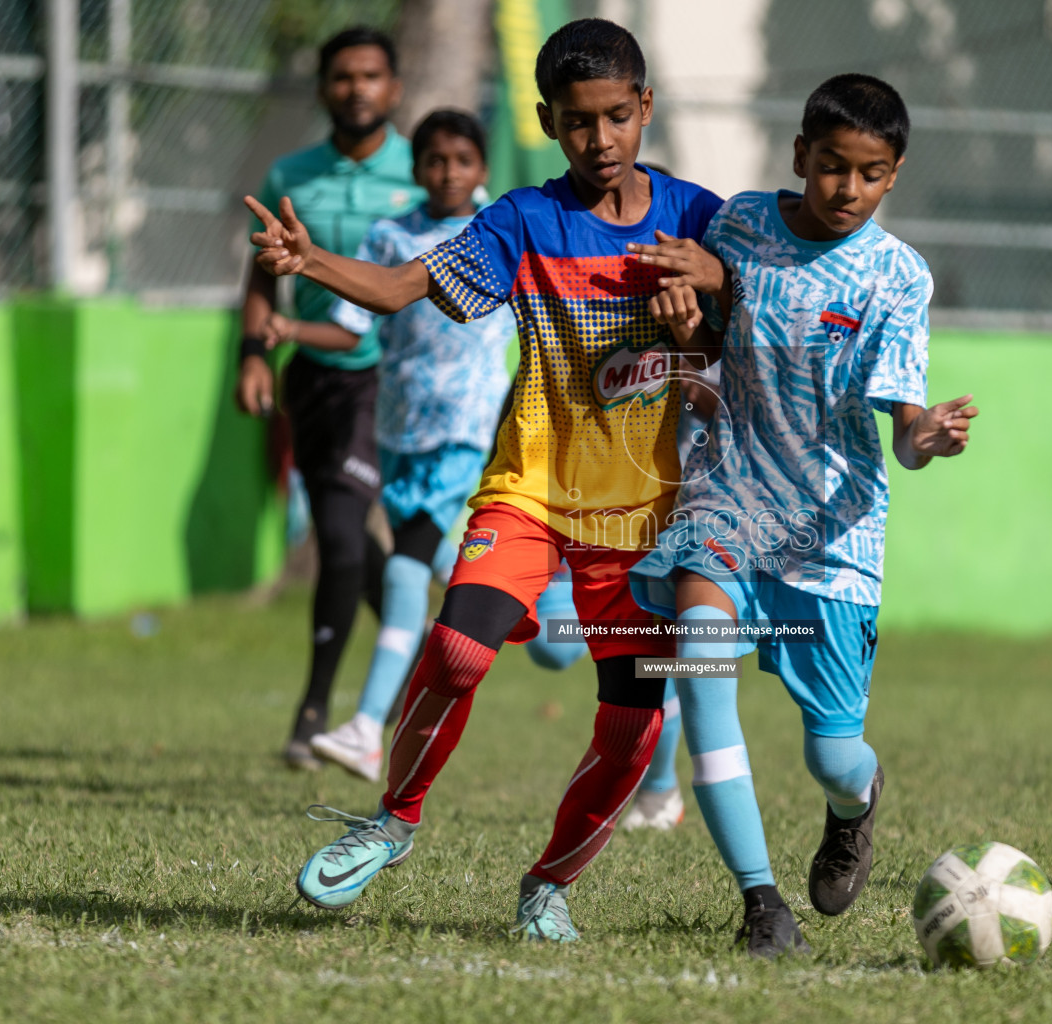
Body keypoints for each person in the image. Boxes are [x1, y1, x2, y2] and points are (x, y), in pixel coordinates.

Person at [246, 19, 728, 944]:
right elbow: (397, 290)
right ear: (548, 121)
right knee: (461, 650)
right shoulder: (519, 221)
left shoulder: (702, 219)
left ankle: (548, 884)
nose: (601, 141)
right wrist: (308, 263)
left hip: (643, 522)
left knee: (631, 724)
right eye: (579, 122)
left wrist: (700, 307)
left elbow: (734, 351)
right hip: (529, 491)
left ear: (646, 109)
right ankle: (393, 819)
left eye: (618, 118)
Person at [627, 73, 979, 956]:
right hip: (727, 505)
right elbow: (704, 326)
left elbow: (900, 425)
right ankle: (760, 904)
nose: (846, 189)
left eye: (868, 173)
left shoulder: (898, 276)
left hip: (832, 536)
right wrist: (692, 296)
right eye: (830, 167)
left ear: (893, 175)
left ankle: (853, 805)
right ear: (799, 156)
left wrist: (925, 435)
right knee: (700, 680)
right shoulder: (741, 222)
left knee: (834, 755)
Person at [235, 27, 423, 770]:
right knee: (350, 541)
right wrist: (253, 352)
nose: (357, 89)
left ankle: (316, 711)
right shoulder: (293, 173)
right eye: (342, 77)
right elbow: (262, 274)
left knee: (343, 541)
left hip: (390, 380)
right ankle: (413, 664)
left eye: (371, 75)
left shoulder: (429, 169)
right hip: (314, 374)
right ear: (322, 90)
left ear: (394, 88)